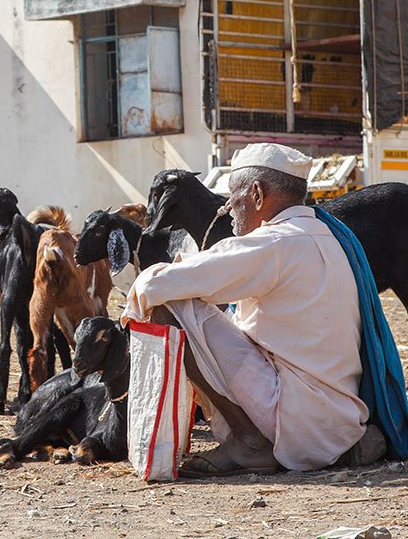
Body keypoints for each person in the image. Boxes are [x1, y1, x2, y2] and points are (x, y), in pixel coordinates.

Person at [122, 143, 367, 475]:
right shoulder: (323, 234)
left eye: (233, 195)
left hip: (298, 425)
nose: (227, 206)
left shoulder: (274, 242)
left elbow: (158, 284)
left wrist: (135, 302)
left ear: (256, 194)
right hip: (337, 425)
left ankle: (250, 442)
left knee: (170, 306)